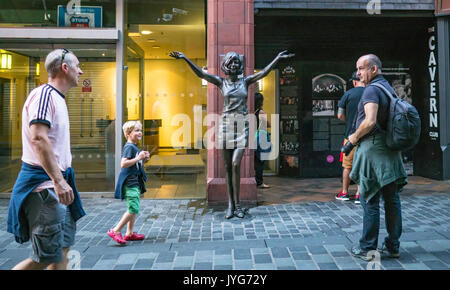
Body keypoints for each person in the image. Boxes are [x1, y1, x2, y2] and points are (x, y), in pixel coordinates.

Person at [170, 50, 293, 219]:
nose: (234, 65)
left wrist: (277, 58)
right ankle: (231, 205)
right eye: (231, 62)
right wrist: (185, 58)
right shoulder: (221, 83)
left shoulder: (246, 81)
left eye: (237, 62)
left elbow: (264, 72)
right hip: (226, 127)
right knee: (227, 168)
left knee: (236, 164)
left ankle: (239, 204)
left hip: (242, 127)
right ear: (226, 65)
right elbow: (201, 74)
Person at [7, 48, 85, 270]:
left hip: (56, 185)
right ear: (65, 68)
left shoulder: (57, 98)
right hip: (45, 189)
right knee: (45, 256)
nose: (81, 70)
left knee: (61, 250)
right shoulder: (44, 95)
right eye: (77, 66)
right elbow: (39, 138)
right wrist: (59, 181)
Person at [347, 54, 407, 261]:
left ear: (373, 69)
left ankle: (367, 248)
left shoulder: (372, 89)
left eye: (362, 68)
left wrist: (353, 138)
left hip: (373, 150)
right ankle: (393, 246)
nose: (358, 73)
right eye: (357, 69)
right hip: (388, 149)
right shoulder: (387, 87)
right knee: (391, 199)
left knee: (370, 198)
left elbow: (370, 121)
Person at [108, 120, 150, 245]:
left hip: (134, 182)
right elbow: (123, 163)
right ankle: (115, 230)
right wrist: (138, 158)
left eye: (140, 130)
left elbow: (135, 163)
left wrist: (142, 158)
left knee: (133, 207)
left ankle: (129, 233)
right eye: (136, 131)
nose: (140, 132)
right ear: (128, 134)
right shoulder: (129, 147)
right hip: (130, 183)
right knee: (133, 208)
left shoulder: (134, 146)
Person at [336, 71, 364, 203]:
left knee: (347, 166)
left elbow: (340, 115)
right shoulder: (370, 93)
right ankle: (359, 194)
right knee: (362, 165)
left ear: (354, 82)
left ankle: (345, 193)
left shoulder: (348, 94)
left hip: (350, 137)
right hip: (365, 137)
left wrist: (348, 121)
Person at [254, 92, 271, 189]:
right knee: (260, 161)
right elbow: (269, 124)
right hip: (261, 137)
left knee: (255, 160)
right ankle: (259, 182)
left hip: (253, 137)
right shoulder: (260, 112)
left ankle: (256, 180)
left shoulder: (251, 111)